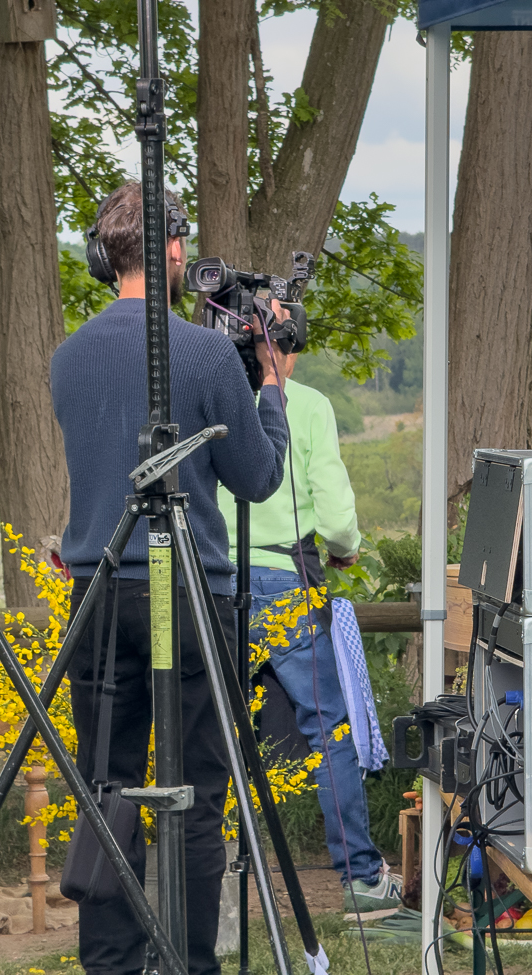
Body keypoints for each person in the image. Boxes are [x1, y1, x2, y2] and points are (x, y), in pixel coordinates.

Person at [50, 182, 289, 975]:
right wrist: (272, 385)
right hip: (188, 588)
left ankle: (111, 961)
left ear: (106, 256)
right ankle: (189, 962)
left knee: (105, 785)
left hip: (97, 589)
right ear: (175, 250)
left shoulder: (68, 356)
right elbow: (258, 478)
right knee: (195, 796)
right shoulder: (206, 354)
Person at [216, 358, 402, 912]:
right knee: (329, 732)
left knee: (208, 729)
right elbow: (339, 521)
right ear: (287, 347)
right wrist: (345, 548)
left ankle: (204, 882)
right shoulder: (310, 405)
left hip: (211, 579)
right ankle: (361, 880)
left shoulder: (202, 392)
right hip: (285, 581)